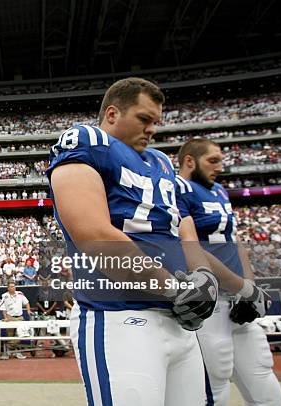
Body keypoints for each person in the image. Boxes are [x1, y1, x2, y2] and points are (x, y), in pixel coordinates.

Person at [47, 78, 226, 405]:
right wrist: (176, 288)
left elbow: (182, 225)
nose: (152, 129)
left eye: (156, 122)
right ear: (113, 114)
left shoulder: (159, 161)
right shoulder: (87, 140)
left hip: (179, 322)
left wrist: (203, 278)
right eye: (144, 119)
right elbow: (94, 236)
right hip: (120, 316)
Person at [175, 138, 281, 406]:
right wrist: (240, 286)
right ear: (190, 160)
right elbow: (191, 246)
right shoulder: (176, 188)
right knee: (214, 384)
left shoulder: (219, 191)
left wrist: (250, 287)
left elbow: (235, 241)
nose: (220, 167)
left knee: (262, 375)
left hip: (238, 299)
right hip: (209, 302)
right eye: (212, 160)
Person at [0, 281, 31, 360]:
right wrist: (5, 317)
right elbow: (3, 308)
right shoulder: (4, 296)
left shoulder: (20, 294)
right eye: (11, 286)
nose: (13, 288)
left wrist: (28, 311)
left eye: (14, 286)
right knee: (10, 335)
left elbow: (27, 303)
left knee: (20, 334)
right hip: (10, 318)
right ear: (8, 288)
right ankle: (13, 353)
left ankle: (7, 347)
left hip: (19, 317)